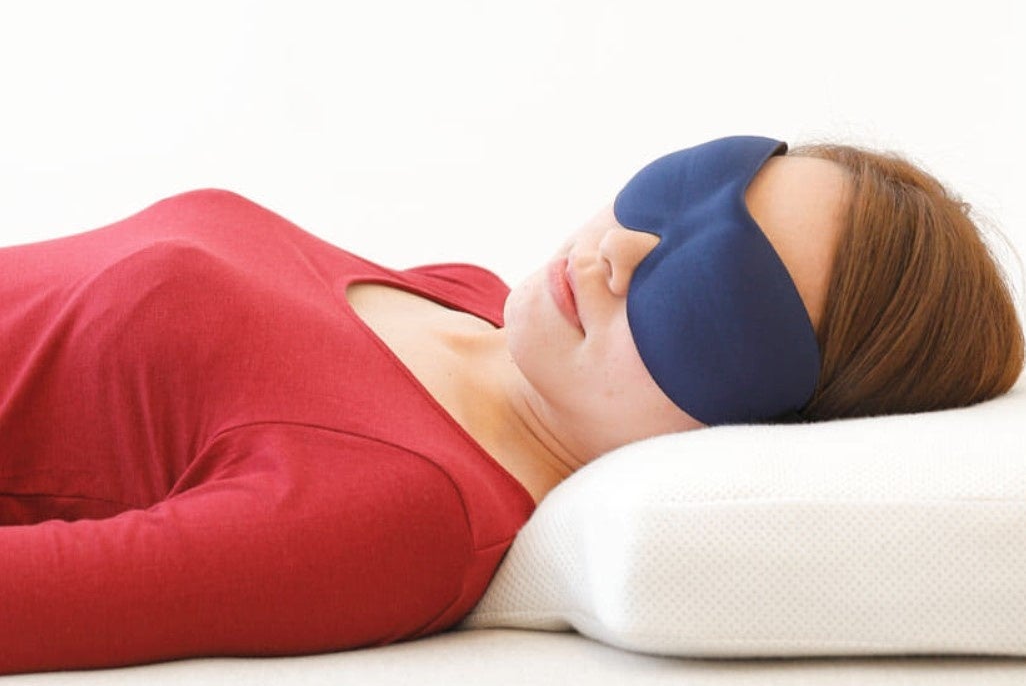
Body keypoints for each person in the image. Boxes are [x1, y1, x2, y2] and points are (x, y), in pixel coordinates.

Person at [0, 136, 1022, 675]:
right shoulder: (469, 298)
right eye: (684, 188)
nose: (620, 251)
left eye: (717, 296)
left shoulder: (403, 513)